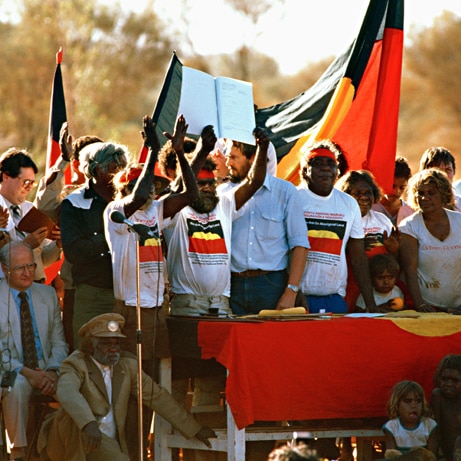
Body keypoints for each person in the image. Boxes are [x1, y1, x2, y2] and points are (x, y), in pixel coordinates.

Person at [104, 115, 199, 459]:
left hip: (157, 310)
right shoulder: (117, 212)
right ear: (124, 189)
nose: (150, 191)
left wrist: (179, 152)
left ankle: (161, 452)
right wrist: (153, 148)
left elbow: (190, 193)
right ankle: (129, 452)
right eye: (141, 186)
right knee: (132, 390)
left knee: (162, 386)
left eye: (155, 187)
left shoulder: (158, 210)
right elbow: (141, 192)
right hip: (129, 311)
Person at [39, 312, 216, 461]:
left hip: (110, 439)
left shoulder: (127, 365)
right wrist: (88, 424)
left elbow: (157, 397)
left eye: (116, 343)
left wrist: (194, 428)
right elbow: (67, 392)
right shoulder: (75, 363)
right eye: (106, 344)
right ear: (89, 346)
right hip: (79, 435)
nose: (114, 348)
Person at [34, 121, 104, 351]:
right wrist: (62, 160)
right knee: (79, 347)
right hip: (77, 284)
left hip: (112, 284)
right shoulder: (70, 197)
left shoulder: (116, 193)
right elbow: (43, 205)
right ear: (78, 163)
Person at [219, 137, 309, 315]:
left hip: (271, 285)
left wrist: (291, 291)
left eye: (234, 157)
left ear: (253, 157)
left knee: (269, 342)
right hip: (231, 285)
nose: (228, 163)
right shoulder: (223, 192)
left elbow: (300, 245)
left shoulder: (286, 192)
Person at [0, 241, 68, 461]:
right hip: (12, 367)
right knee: (15, 385)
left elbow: (59, 342)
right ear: (4, 269)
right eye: (20, 268)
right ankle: (18, 453)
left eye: (30, 266)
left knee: (74, 385)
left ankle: (67, 451)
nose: (28, 272)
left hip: (45, 366)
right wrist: (29, 373)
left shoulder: (47, 294)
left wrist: (53, 370)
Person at [60, 140, 128, 345]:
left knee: (126, 357)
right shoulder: (74, 203)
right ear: (96, 170)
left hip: (129, 296)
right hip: (93, 293)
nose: (119, 175)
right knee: (87, 353)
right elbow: (74, 251)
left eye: (122, 168)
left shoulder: (129, 201)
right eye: (114, 169)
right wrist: (110, 235)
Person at [296, 140, 377, 313]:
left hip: (334, 298)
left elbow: (358, 258)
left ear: (337, 171)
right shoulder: (293, 199)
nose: (325, 168)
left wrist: (371, 303)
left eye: (330, 164)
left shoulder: (348, 204)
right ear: (305, 171)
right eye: (317, 164)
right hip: (298, 298)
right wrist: (292, 291)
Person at [335, 169, 400, 310]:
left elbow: (393, 263)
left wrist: (394, 250)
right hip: (349, 286)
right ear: (346, 196)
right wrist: (353, 248)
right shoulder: (340, 218)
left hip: (379, 290)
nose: (364, 198)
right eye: (357, 193)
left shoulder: (382, 220)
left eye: (368, 193)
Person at [398, 168, 461, 312]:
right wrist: (420, 304)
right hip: (427, 305)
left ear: (443, 194)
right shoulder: (409, 226)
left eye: (431, 193)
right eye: (420, 193)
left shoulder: (459, 221)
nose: (424, 198)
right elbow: (409, 269)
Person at [0, 148, 62, 282]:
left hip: (35, 289)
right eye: (25, 182)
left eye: (32, 183)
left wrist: (58, 245)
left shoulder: (29, 209)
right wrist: (24, 246)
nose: (29, 187)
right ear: (5, 177)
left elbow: (43, 259)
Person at [383, 380, 438, 459]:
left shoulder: (430, 425)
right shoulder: (391, 427)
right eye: (407, 401)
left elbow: (432, 457)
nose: (413, 405)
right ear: (397, 404)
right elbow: (391, 456)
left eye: (418, 401)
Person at [431, 354, 461, 461]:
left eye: (455, 380)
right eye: (444, 379)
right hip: (445, 454)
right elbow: (435, 431)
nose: (448, 384)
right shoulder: (438, 397)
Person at [372, 156, 414, 226]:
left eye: (402, 188)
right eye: (393, 186)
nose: (396, 192)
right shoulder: (371, 208)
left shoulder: (410, 211)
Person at [419, 146, 461, 211]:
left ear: (454, 172)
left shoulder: (459, 204)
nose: (444, 175)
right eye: (437, 170)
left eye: (448, 170)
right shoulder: (413, 208)